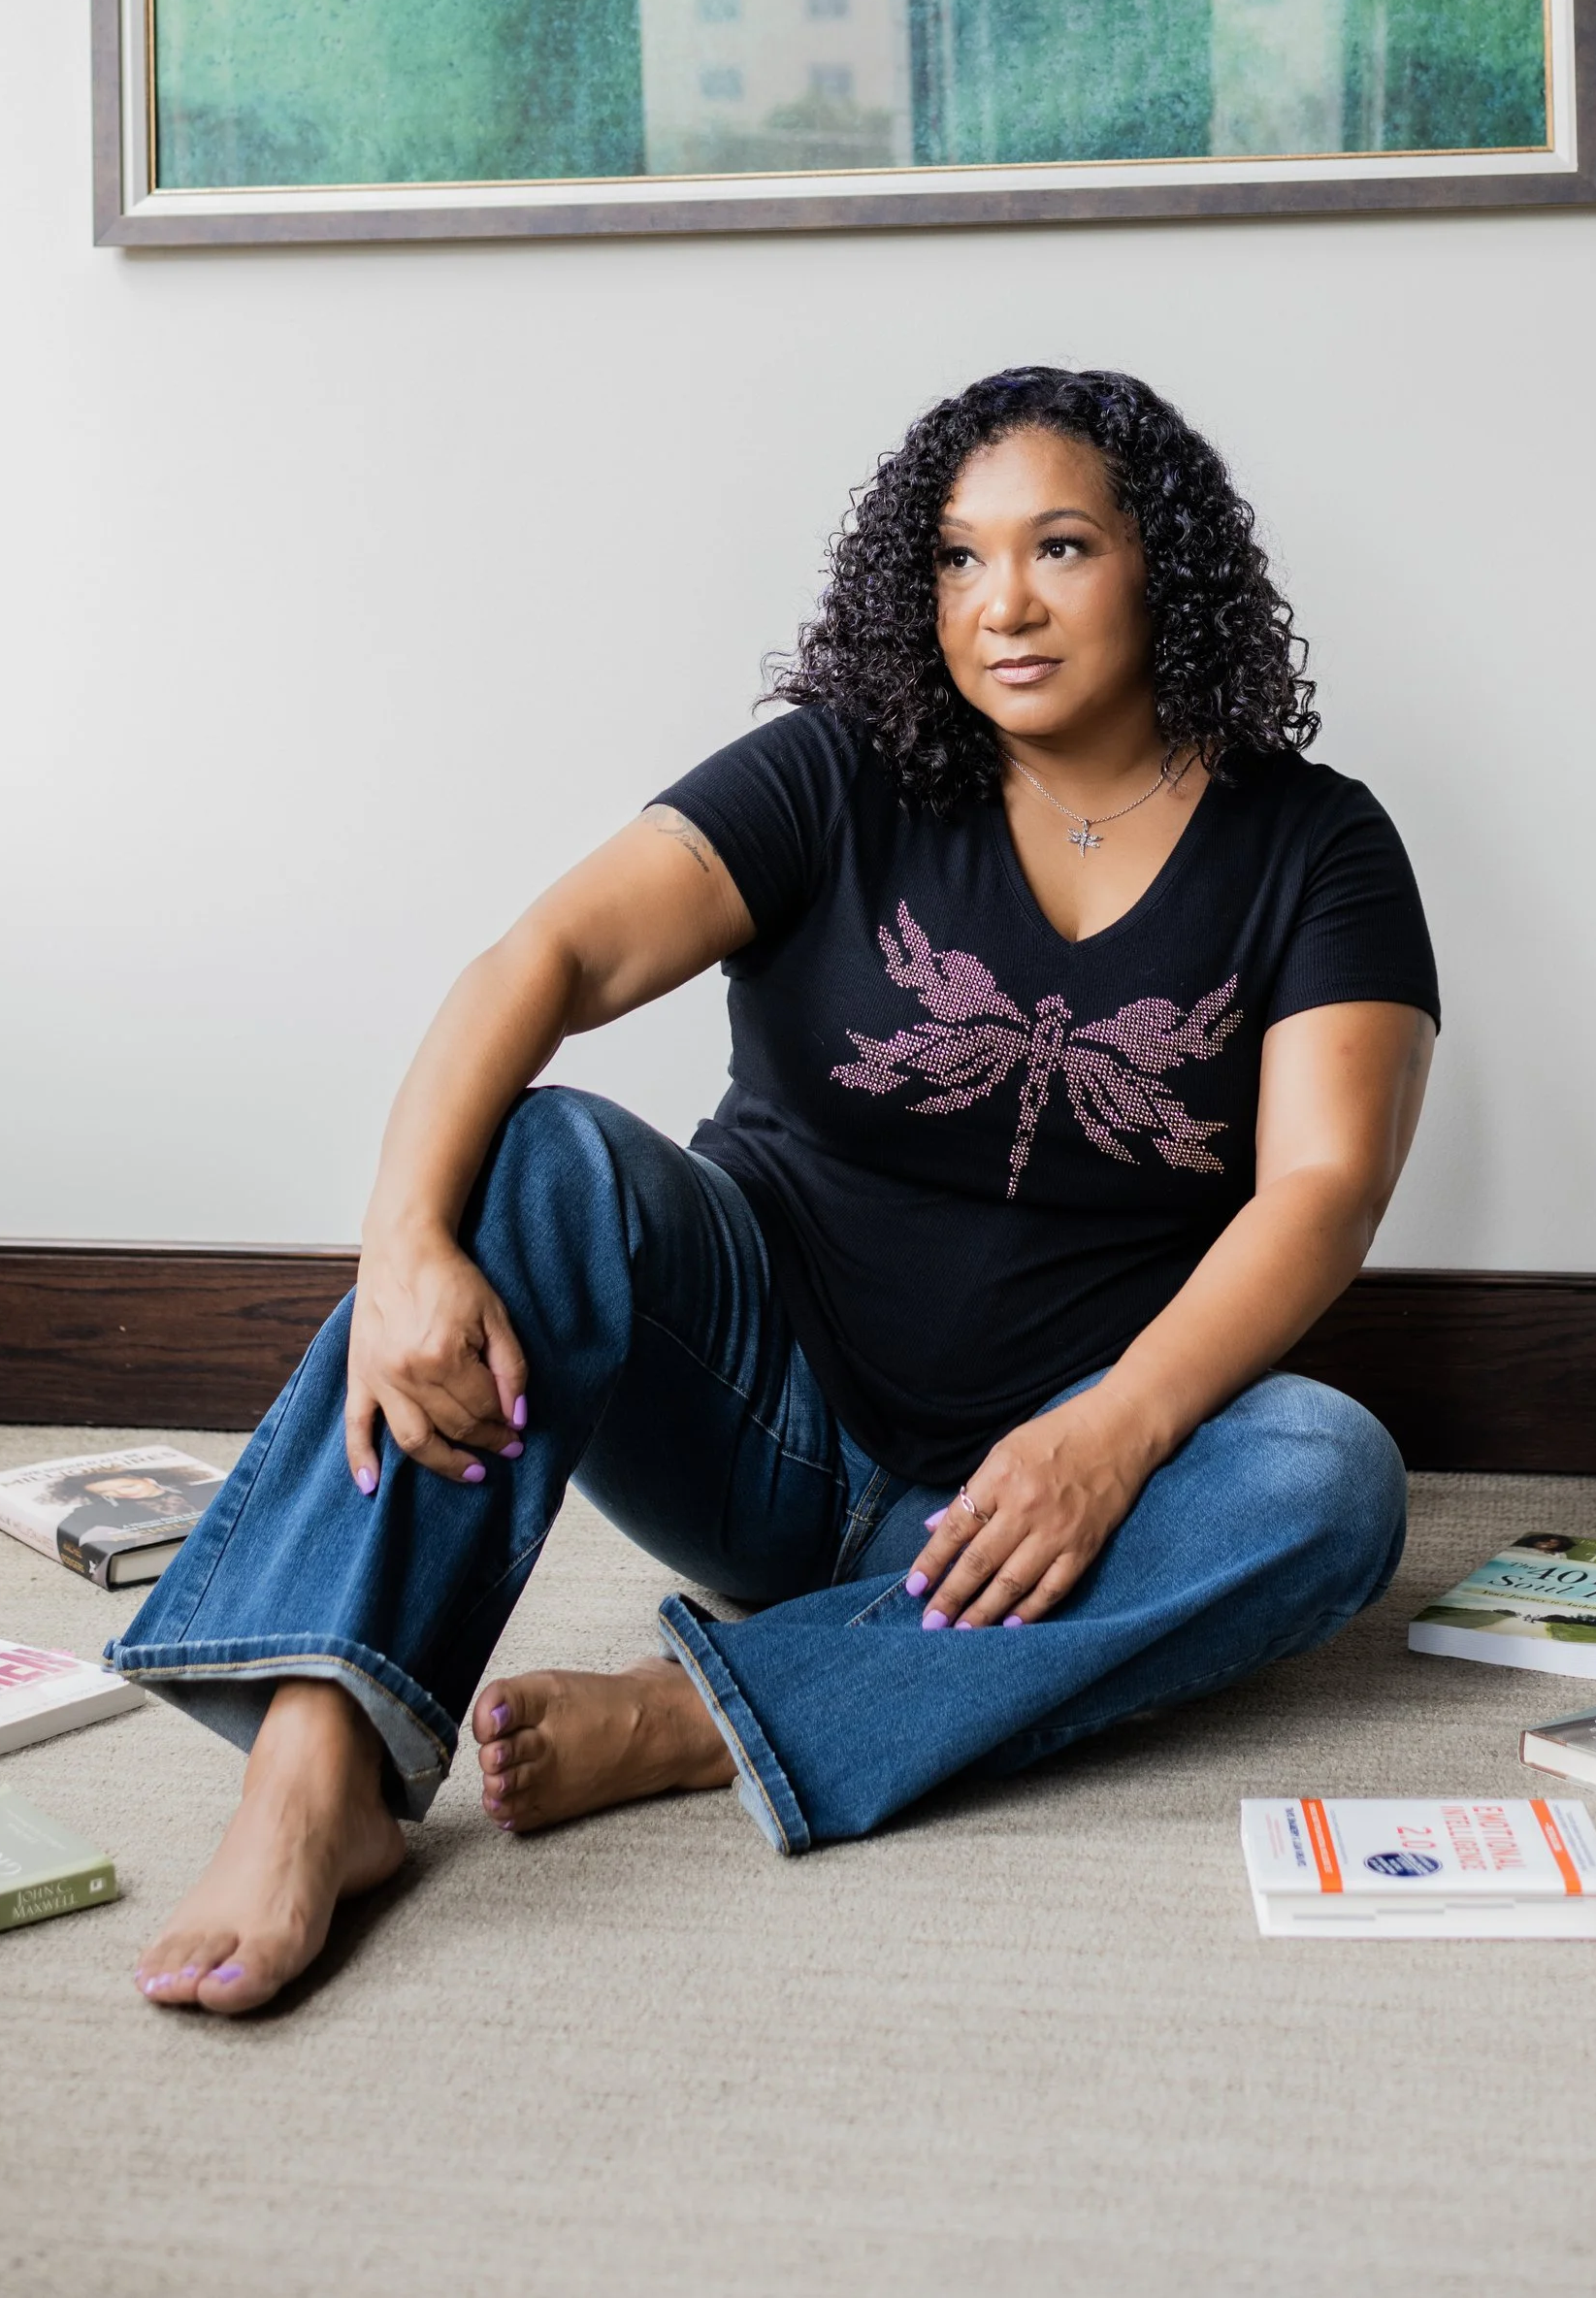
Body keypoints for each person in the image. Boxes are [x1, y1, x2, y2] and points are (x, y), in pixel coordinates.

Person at [112, 366, 1440, 2014]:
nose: (1003, 603)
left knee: (1332, 1477)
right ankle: (316, 1775)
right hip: (755, 1417)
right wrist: (398, 1245)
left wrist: (1110, 1441)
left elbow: (1324, 1187)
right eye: (957, 559)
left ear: (1166, 565)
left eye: (1063, 547)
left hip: (1041, 1499)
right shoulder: (838, 770)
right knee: (540, 1156)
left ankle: (706, 1709)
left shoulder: (1319, 845)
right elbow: (551, 953)